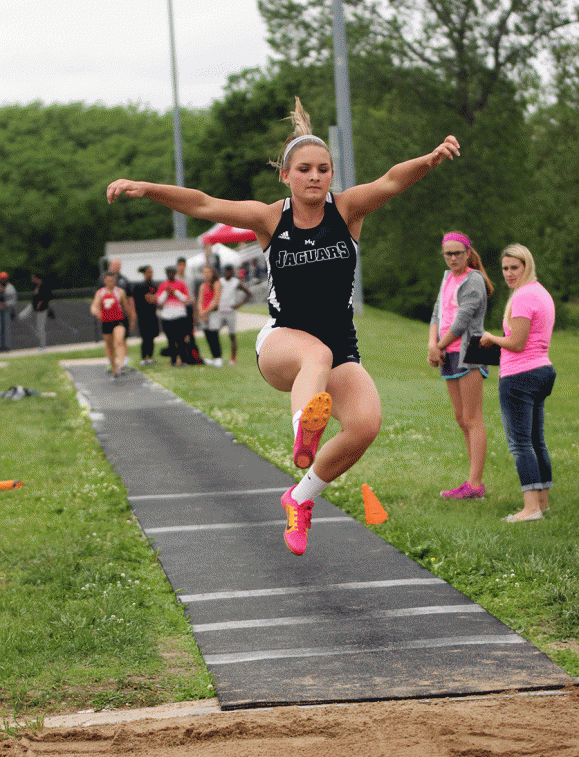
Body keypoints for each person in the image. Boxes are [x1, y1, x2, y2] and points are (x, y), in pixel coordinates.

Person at [107, 97, 460, 555]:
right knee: (316, 353)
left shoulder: (348, 210)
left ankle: (300, 498)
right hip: (282, 345)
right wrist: (147, 187)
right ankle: (304, 429)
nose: (315, 176)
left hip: (340, 348)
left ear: (332, 175)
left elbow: (393, 180)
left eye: (324, 169)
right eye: (305, 169)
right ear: (286, 176)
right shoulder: (270, 217)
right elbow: (204, 203)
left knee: (365, 425)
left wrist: (430, 160)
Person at [480, 244, 556, 522]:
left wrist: (490, 338)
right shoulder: (541, 293)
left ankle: (531, 508)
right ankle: (542, 503)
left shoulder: (524, 297)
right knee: (536, 441)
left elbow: (516, 342)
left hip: (520, 377)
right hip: (540, 371)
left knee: (521, 444)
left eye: (515, 267)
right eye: (505, 268)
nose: (509, 273)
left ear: (527, 266)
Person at [428, 232, 494, 499]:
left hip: (473, 349)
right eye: (448, 254)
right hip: (449, 351)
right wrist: (432, 344)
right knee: (460, 418)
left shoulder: (474, 279)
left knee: (472, 418)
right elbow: (437, 312)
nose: (453, 258)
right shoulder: (447, 277)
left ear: (468, 253)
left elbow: (463, 320)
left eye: (458, 253)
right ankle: (471, 481)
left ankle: (475, 485)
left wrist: (439, 346)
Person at [91, 271, 133, 378]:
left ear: (115, 280)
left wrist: (132, 318)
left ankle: (122, 364)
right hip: (106, 322)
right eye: (108, 281)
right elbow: (94, 306)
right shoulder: (100, 293)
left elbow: (126, 306)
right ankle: (114, 369)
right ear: (105, 281)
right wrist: (96, 312)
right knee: (109, 346)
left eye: (112, 280)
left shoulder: (120, 292)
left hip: (119, 320)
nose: (110, 283)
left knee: (119, 340)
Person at [209, 265, 253, 365]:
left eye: (230, 271)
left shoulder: (235, 282)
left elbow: (249, 293)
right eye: (227, 271)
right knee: (214, 333)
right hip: (220, 310)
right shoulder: (220, 281)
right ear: (224, 272)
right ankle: (216, 356)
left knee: (232, 335)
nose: (228, 273)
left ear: (233, 272)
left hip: (231, 311)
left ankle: (233, 358)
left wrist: (239, 305)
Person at [156, 265, 191, 366]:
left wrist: (175, 292)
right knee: (171, 340)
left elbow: (185, 299)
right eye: (168, 272)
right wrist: (166, 292)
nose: (170, 274)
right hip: (167, 316)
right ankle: (173, 360)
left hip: (180, 315)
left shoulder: (181, 284)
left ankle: (183, 360)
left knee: (181, 339)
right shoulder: (163, 285)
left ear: (175, 273)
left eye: (172, 272)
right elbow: (160, 301)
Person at [197, 265, 223, 366]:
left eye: (208, 272)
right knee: (207, 334)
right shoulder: (203, 286)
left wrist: (205, 311)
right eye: (205, 272)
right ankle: (213, 356)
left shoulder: (216, 284)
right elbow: (200, 300)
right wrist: (201, 311)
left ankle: (218, 356)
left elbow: (215, 301)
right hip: (204, 314)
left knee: (214, 335)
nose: (206, 275)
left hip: (213, 313)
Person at [133, 265, 159, 365]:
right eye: (148, 272)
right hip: (143, 315)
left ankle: (150, 357)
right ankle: (143, 358)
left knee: (152, 337)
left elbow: (156, 298)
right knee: (145, 337)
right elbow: (150, 299)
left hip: (152, 315)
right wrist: (154, 297)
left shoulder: (154, 285)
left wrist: (154, 298)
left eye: (151, 272)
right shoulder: (140, 286)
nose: (150, 274)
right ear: (144, 273)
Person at [31, 273, 54, 351]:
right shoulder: (36, 286)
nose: (32, 280)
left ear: (37, 278)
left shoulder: (43, 286)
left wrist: (39, 304)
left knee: (41, 327)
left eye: (34, 278)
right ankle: (41, 344)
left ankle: (43, 345)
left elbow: (44, 297)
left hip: (42, 309)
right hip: (38, 310)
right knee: (39, 327)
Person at [0, 271, 17, 351]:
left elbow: (14, 300)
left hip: (7, 310)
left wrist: (6, 304)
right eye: (1, 279)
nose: (2, 280)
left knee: (7, 328)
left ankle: (7, 346)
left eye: (4, 278)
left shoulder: (10, 288)